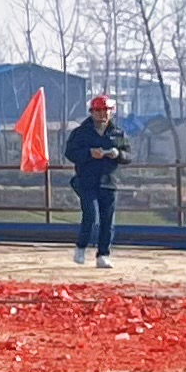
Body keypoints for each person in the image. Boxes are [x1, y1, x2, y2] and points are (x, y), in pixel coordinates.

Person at [64, 89, 129, 266]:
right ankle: (81, 247)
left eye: (106, 110)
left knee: (108, 221)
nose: (103, 114)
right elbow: (70, 153)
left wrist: (118, 154)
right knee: (91, 216)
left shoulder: (118, 133)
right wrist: (89, 153)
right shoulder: (80, 133)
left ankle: (103, 254)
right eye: (99, 111)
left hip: (109, 182)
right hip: (87, 181)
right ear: (92, 112)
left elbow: (129, 155)